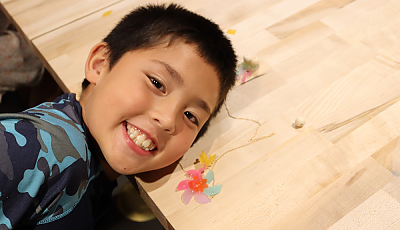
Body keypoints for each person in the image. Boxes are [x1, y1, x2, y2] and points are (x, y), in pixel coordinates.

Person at [0, 3, 237, 229]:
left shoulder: (91, 167)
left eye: (190, 116)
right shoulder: (32, 151)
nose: (167, 119)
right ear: (100, 64)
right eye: (157, 83)